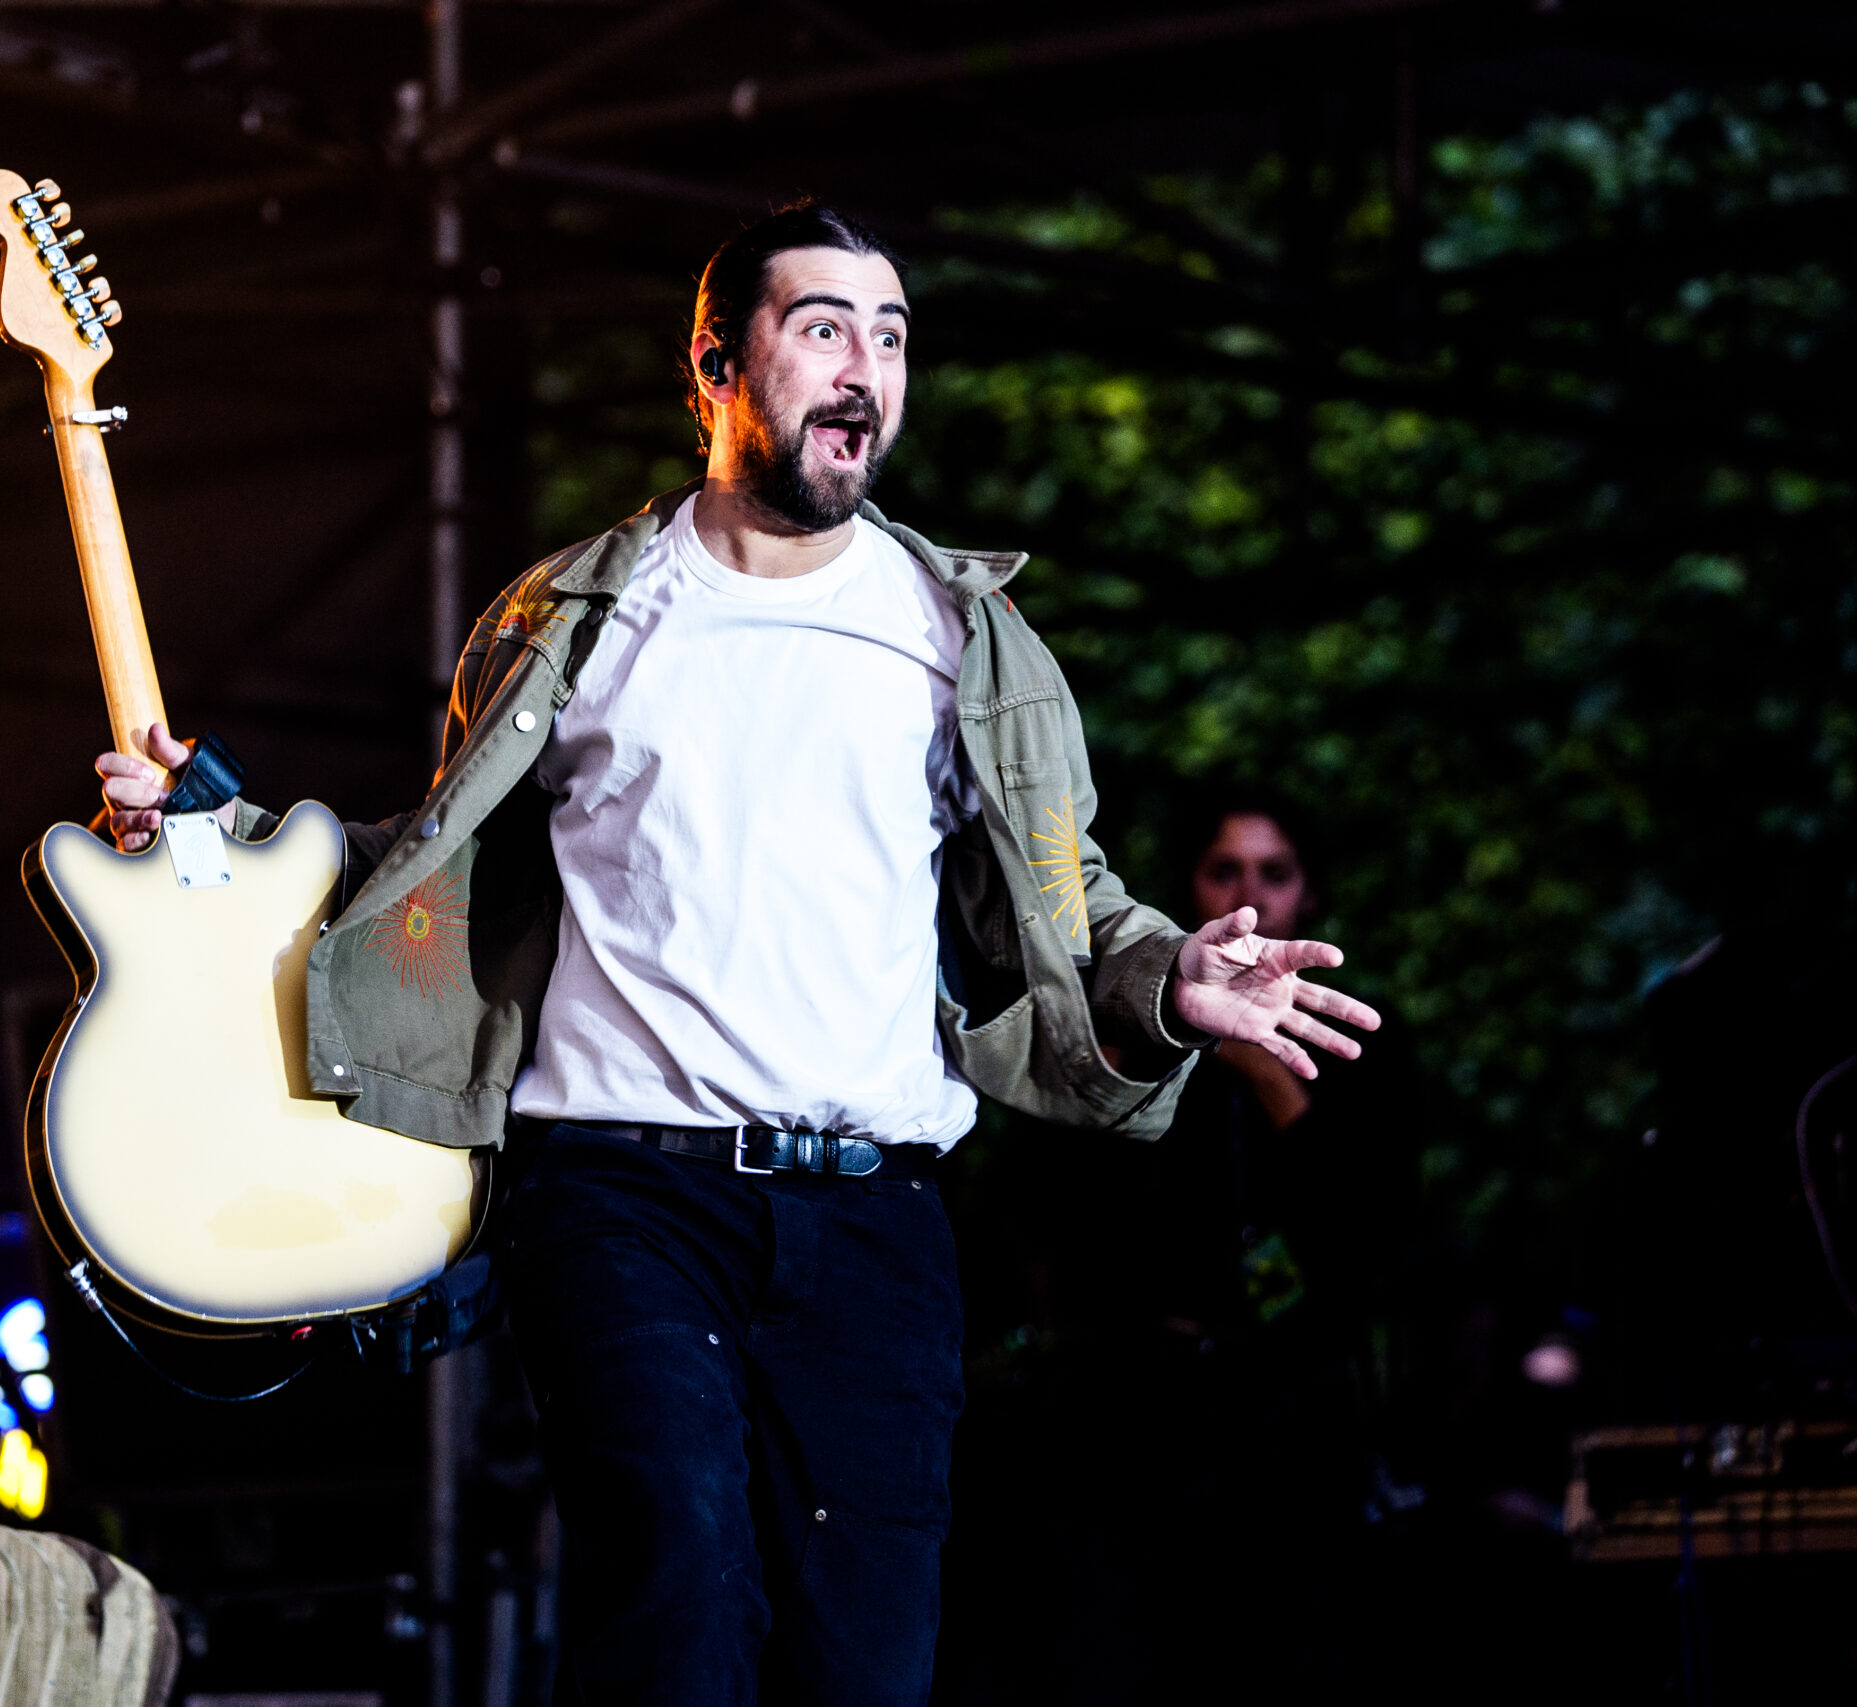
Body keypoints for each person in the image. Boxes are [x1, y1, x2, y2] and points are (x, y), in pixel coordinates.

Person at [94, 204, 1380, 1707]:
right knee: (678, 1612)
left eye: (891, 338)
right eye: (824, 327)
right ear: (715, 366)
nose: (866, 370)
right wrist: (211, 819)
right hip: (626, 1202)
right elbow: (431, 873)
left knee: (867, 1670)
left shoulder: (965, 639)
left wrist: (1170, 978)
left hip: (878, 1225)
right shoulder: (574, 614)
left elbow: (1060, 897)